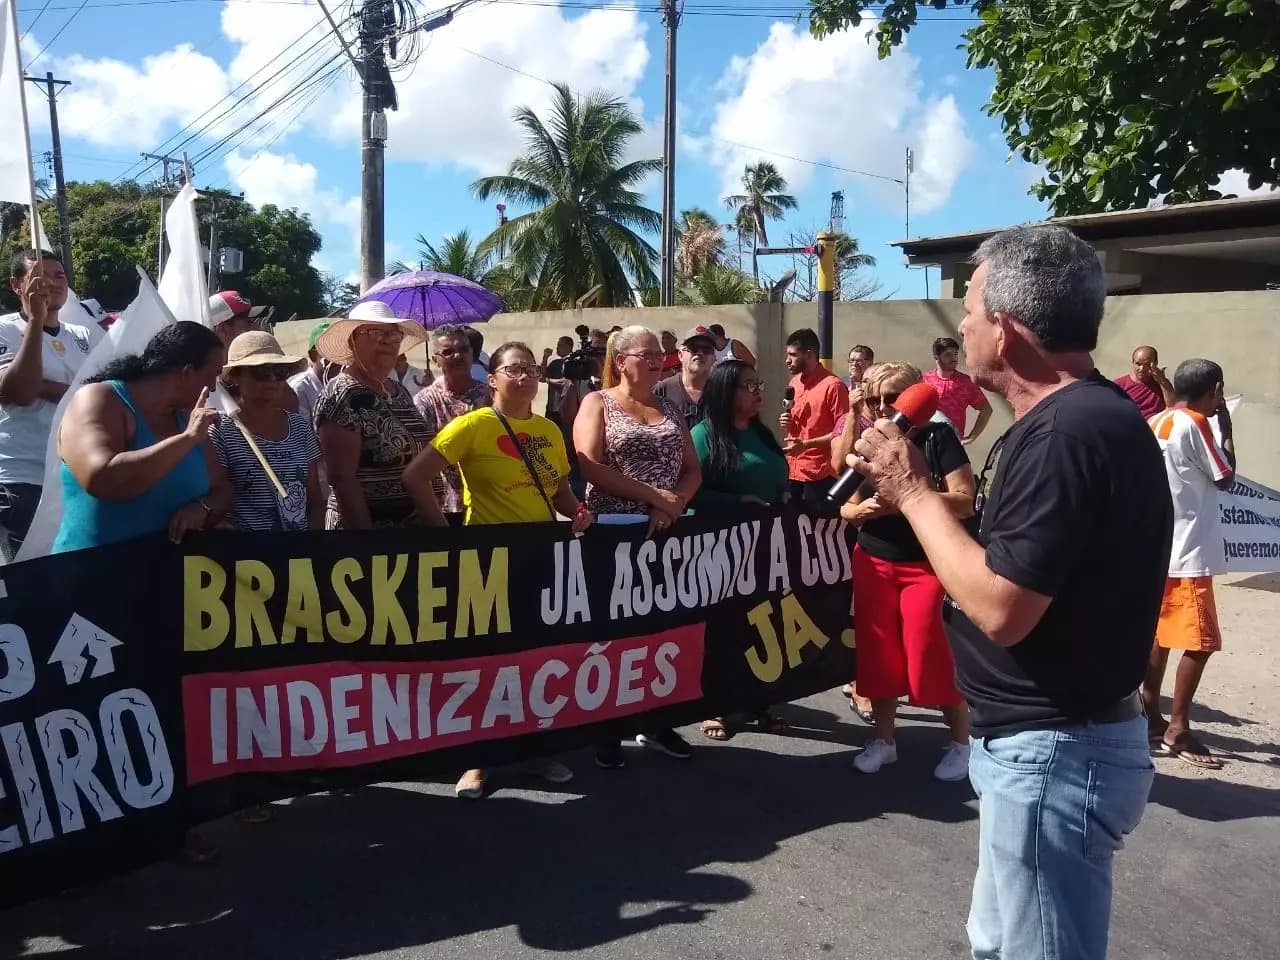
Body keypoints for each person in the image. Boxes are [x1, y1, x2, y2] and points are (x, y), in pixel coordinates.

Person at [848, 225, 1171, 960]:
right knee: (1000, 945)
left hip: (1057, 749)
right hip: (1043, 743)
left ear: (1009, 327)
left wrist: (910, 491)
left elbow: (999, 608)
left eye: (969, 305)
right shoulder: (1073, 420)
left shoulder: (1069, 433)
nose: (960, 324)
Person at [53, 320, 232, 865]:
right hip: (89, 590)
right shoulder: (99, 401)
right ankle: (80, 836)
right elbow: (103, 478)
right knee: (87, 711)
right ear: (185, 373)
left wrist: (200, 508)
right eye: (214, 373)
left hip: (164, 586)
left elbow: (223, 490)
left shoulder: (189, 419)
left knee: (162, 706)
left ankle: (168, 823)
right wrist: (185, 442)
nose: (218, 384)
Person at [404, 342, 593, 798]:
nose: (525, 376)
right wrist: (444, 534)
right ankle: (476, 760)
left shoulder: (548, 430)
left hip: (540, 557)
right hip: (485, 561)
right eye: (514, 369)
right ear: (491, 379)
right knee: (485, 664)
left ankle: (534, 751)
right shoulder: (472, 425)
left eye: (531, 369)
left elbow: (559, 492)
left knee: (534, 659)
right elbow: (415, 476)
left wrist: (578, 511)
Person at [838, 362, 975, 781]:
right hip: (875, 561)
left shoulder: (939, 437)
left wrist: (912, 497)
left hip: (928, 564)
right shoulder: (870, 442)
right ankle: (884, 741)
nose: (883, 407)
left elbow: (965, 501)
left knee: (929, 653)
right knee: (878, 658)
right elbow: (843, 505)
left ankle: (962, 744)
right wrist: (860, 510)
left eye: (892, 398)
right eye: (876, 399)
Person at [574, 325, 701, 766]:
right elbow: (589, 466)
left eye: (660, 353)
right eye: (647, 354)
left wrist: (674, 505)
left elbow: (691, 468)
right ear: (622, 359)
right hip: (613, 532)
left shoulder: (669, 407)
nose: (657, 359)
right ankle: (607, 728)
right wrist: (653, 498)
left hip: (665, 531)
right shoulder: (597, 402)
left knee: (659, 631)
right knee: (613, 635)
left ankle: (655, 721)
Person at [1142, 359, 1236, 770]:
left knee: (1159, 636)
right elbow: (1225, 476)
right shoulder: (1196, 422)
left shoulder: (1157, 420)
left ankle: (1149, 717)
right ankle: (1177, 727)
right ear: (1214, 389)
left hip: (1158, 548)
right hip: (1188, 553)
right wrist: (1227, 429)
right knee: (1201, 642)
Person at [688, 359, 789, 741]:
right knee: (722, 630)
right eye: (748, 385)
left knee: (762, 624)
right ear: (726, 392)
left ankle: (760, 700)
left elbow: (778, 474)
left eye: (758, 382)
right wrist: (737, 502)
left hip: (765, 548)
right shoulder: (702, 436)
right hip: (719, 549)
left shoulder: (763, 435)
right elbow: (690, 492)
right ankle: (717, 704)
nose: (757, 390)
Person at [0, 250, 94, 558]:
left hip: (73, 476)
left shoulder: (81, 334)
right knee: (30, 586)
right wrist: (36, 320)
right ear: (17, 285)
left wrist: (53, 389)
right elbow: (21, 391)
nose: (52, 283)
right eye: (40, 276)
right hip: (24, 480)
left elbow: (98, 392)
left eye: (59, 275)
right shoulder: (5, 329)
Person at [313, 301, 431, 529]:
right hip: (365, 539)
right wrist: (369, 545)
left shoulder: (399, 391)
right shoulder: (342, 394)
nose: (387, 340)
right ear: (353, 341)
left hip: (412, 532)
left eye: (394, 334)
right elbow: (342, 478)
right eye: (376, 332)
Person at [212, 332, 324, 533]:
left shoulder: (299, 426)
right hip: (251, 558)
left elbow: (315, 499)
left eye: (280, 371)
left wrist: (313, 545)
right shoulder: (221, 430)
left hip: (301, 555)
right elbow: (218, 499)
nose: (272, 379)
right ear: (236, 376)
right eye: (261, 372)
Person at [413, 324, 493, 525]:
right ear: (436, 360)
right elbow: (421, 458)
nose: (457, 356)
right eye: (448, 352)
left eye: (463, 349)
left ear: (472, 353)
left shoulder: (491, 396)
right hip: (446, 507)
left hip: (489, 501)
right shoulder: (425, 401)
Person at [780, 327, 848, 510]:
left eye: (793, 355)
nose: (787, 360)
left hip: (821, 476)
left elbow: (842, 435)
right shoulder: (794, 383)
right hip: (792, 473)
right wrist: (788, 422)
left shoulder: (834, 386)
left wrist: (806, 445)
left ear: (809, 355)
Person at [923, 336, 992, 444]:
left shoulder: (966, 383)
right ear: (936, 357)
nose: (953, 358)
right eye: (948, 354)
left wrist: (971, 437)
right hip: (926, 440)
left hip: (952, 442)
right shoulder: (924, 380)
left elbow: (986, 409)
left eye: (955, 353)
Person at [653, 327, 715, 430]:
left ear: (714, 358)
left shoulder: (722, 391)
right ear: (680, 355)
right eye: (693, 348)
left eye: (706, 350)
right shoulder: (662, 391)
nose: (700, 353)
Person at [288, 322, 332, 424]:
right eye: (328, 352)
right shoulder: (300, 388)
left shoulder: (345, 382)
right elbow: (302, 433)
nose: (335, 359)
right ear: (313, 356)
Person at [1114, 344, 1174, 419]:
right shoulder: (1119, 385)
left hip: (1154, 427)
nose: (1142, 369)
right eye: (1138, 364)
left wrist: (1162, 381)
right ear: (1132, 362)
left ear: (1155, 363)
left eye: (1147, 364)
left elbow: (1173, 407)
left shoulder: (1161, 383)